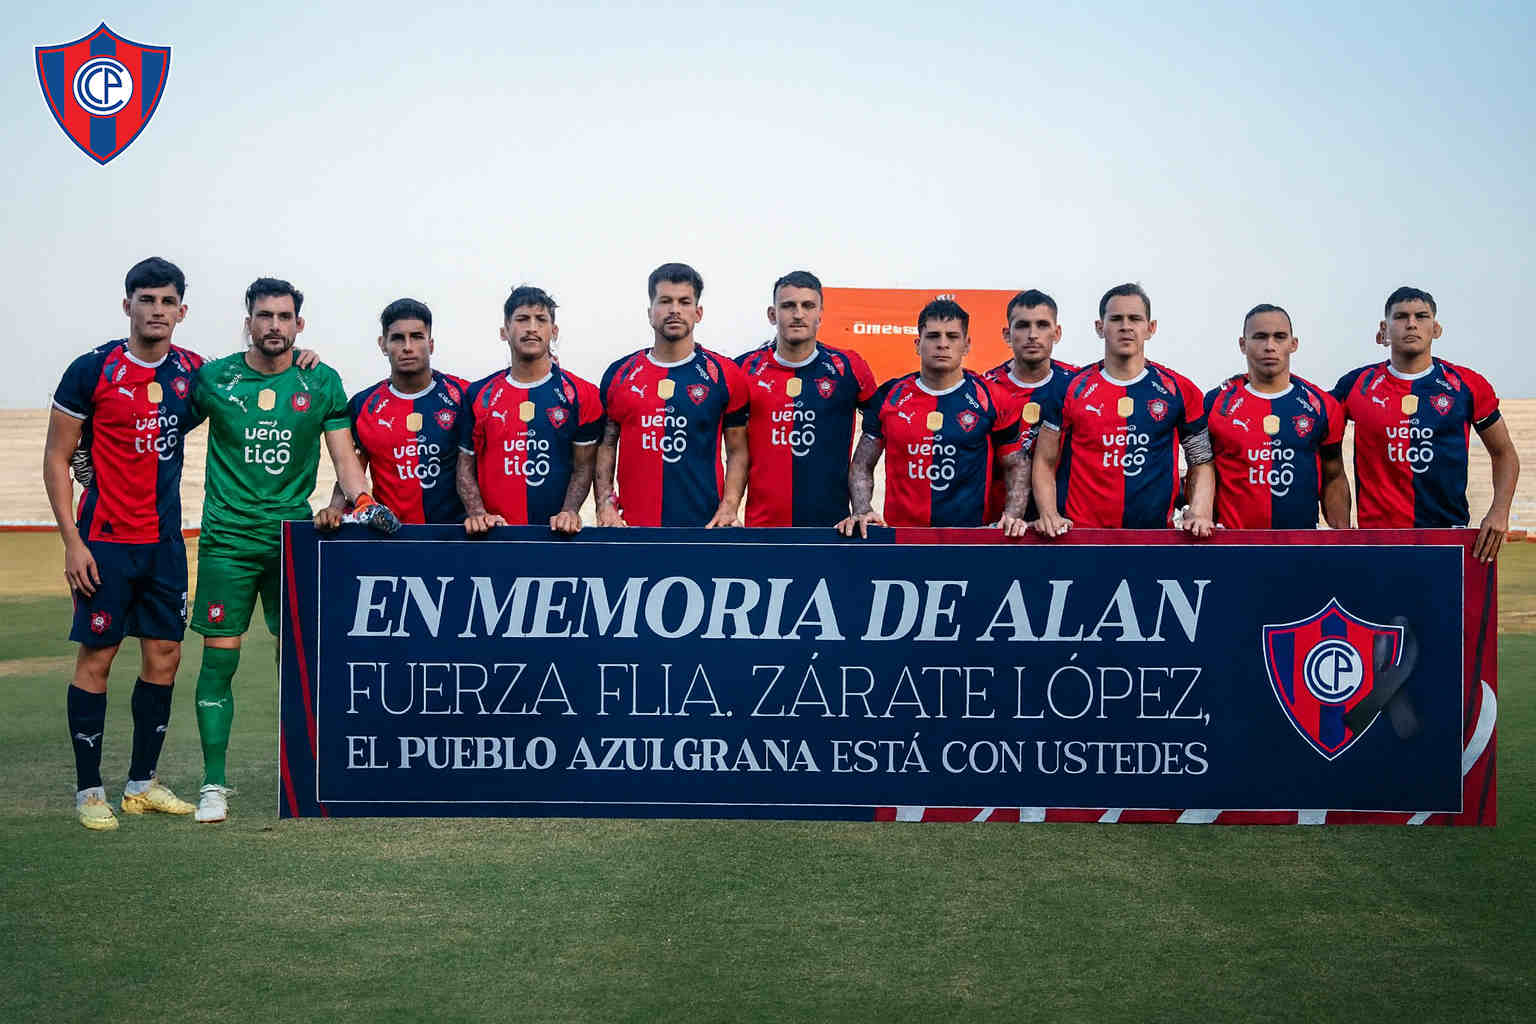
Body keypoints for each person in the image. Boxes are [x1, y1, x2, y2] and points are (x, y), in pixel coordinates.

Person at [188, 277, 398, 824]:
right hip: (228, 541)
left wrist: (363, 502)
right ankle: (213, 785)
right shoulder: (215, 379)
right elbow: (162, 427)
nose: (274, 325)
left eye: (284, 317)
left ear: (298, 324)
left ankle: (306, 772)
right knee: (220, 660)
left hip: (292, 540)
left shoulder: (320, 381)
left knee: (299, 662)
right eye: (265, 315)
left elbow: (345, 458)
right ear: (249, 322)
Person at [43, 258, 203, 829]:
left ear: (182, 311)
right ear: (127, 305)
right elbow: (57, 458)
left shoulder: (193, 373)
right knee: (98, 657)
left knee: (165, 656)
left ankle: (141, 785)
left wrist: (300, 358)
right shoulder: (92, 370)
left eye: (167, 301)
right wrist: (72, 542)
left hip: (164, 544)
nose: (157, 310)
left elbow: (252, 382)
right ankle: (90, 792)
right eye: (146, 299)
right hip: (103, 542)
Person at [1331, 286, 1519, 562]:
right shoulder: (1356, 385)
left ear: (1436, 328)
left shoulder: (1467, 385)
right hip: (1377, 541)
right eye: (1400, 317)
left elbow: (1504, 453)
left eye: (1421, 316)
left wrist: (1499, 511)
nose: (1411, 324)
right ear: (1383, 330)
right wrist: (1340, 524)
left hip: (1447, 540)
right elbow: (1316, 437)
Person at [1031, 283, 1214, 537]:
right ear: (1100, 327)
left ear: (1150, 328)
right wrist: (1048, 512)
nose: (1126, 326)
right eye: (1116, 319)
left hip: (1153, 539)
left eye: (1135, 319)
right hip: (1083, 538)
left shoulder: (1179, 389)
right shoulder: (1069, 388)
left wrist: (1200, 511)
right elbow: (1044, 460)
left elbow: (1201, 459)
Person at [836, 298, 1029, 536]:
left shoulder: (992, 397)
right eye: (933, 336)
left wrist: (1013, 515)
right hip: (903, 539)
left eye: (952, 336)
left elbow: (1016, 465)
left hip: (970, 540)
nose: (942, 344)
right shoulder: (889, 395)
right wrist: (862, 510)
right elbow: (862, 465)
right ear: (918, 344)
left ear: (966, 345)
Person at [595, 263, 749, 527]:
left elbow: (738, 450)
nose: (674, 310)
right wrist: (605, 505)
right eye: (665, 301)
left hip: (704, 529)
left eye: (684, 302)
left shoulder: (724, 374)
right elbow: (606, 446)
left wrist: (730, 506)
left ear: (698, 313)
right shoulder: (619, 374)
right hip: (633, 529)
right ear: (650, 313)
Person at [457, 286, 604, 534]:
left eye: (541, 320)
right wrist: (478, 513)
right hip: (494, 536)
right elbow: (464, 465)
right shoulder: (478, 394)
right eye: (522, 319)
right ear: (504, 331)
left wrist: (569, 511)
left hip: (557, 537)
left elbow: (584, 467)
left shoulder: (582, 394)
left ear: (554, 331)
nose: (532, 328)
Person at [735, 271, 877, 526]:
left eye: (808, 306)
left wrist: (862, 504)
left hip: (833, 528)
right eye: (788, 306)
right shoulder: (743, 369)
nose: (798, 314)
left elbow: (881, 426)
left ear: (820, 314)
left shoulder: (848, 367)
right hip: (762, 528)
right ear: (772, 314)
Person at [317, 299, 469, 527]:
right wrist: (334, 508)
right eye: (397, 338)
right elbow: (351, 467)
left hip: (456, 534)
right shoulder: (363, 405)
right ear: (383, 345)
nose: (407, 347)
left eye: (416, 337)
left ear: (431, 344)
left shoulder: (462, 395)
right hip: (391, 536)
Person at [1205, 304, 1349, 529]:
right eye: (1260, 337)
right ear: (1243, 344)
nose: (1270, 346)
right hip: (1235, 544)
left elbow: (1334, 475)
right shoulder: (1216, 403)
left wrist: (1342, 536)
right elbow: (1202, 469)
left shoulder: (1322, 405)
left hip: (1300, 544)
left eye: (1279, 337)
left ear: (1293, 344)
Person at [982, 289, 1078, 523]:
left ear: (1057, 333)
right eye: (1023, 325)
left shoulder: (1077, 385)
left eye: (1042, 325)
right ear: (1007, 334)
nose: (1033, 335)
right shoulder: (984, 390)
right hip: (1000, 525)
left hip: (1062, 524)